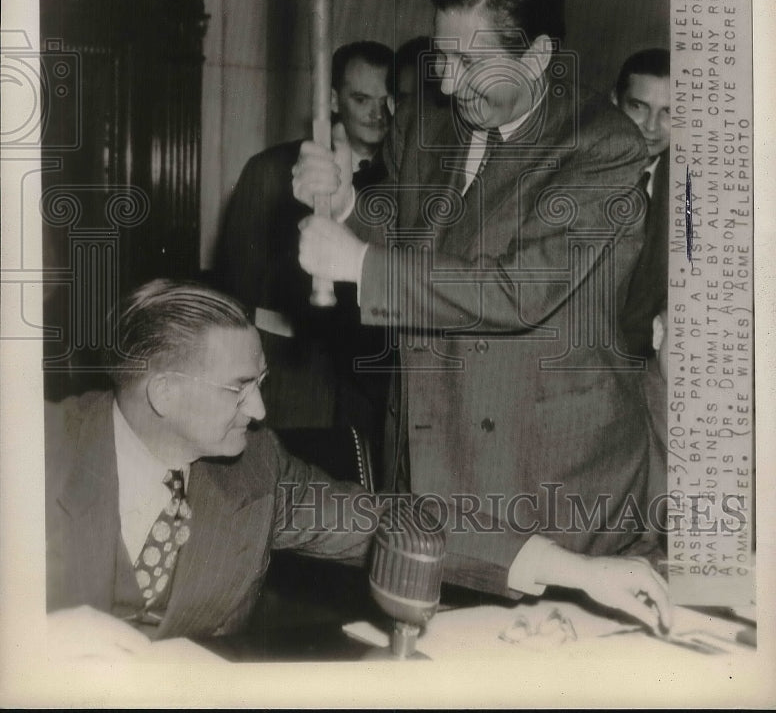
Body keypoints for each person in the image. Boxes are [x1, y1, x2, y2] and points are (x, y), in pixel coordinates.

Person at [45, 278, 671, 659]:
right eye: (238, 389)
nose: (260, 411)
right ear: (165, 394)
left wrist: (578, 570)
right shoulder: (35, 452)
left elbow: (396, 522)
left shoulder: (255, 470)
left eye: (260, 382)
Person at [292, 0, 662, 572]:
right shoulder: (421, 119)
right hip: (428, 448)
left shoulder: (602, 145)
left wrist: (362, 266)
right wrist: (347, 201)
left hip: (545, 474)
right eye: (442, 55)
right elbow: (410, 232)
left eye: (471, 62)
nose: (448, 81)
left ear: (538, 56)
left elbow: (520, 289)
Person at [215, 40, 394, 445]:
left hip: (371, 374)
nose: (376, 113)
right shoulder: (273, 171)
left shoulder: (404, 181)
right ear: (331, 99)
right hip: (291, 369)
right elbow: (237, 287)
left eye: (386, 100)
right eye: (361, 98)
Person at [611, 47, 671, 359]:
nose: (651, 126)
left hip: (641, 362)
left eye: (669, 113)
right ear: (614, 102)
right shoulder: (571, 173)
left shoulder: (691, 194)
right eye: (638, 106)